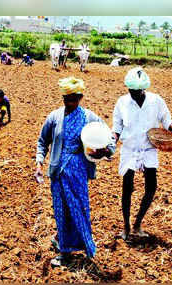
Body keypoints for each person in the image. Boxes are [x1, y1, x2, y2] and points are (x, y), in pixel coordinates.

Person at [35, 77, 115, 266]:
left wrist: (105, 150)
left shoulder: (89, 118)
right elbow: (42, 141)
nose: (69, 102)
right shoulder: (54, 117)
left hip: (78, 171)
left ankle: (82, 244)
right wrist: (39, 163)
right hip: (58, 171)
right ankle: (65, 252)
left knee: (79, 209)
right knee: (61, 211)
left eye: (74, 98)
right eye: (66, 98)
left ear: (80, 97)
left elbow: (109, 139)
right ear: (63, 98)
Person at [112, 67, 172, 240]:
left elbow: (167, 120)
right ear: (127, 88)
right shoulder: (122, 103)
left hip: (148, 148)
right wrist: (111, 142)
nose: (134, 94)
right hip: (129, 149)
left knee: (151, 187)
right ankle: (126, 226)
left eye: (137, 91)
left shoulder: (156, 101)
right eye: (131, 90)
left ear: (143, 89)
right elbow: (116, 128)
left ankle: (138, 224)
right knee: (127, 188)